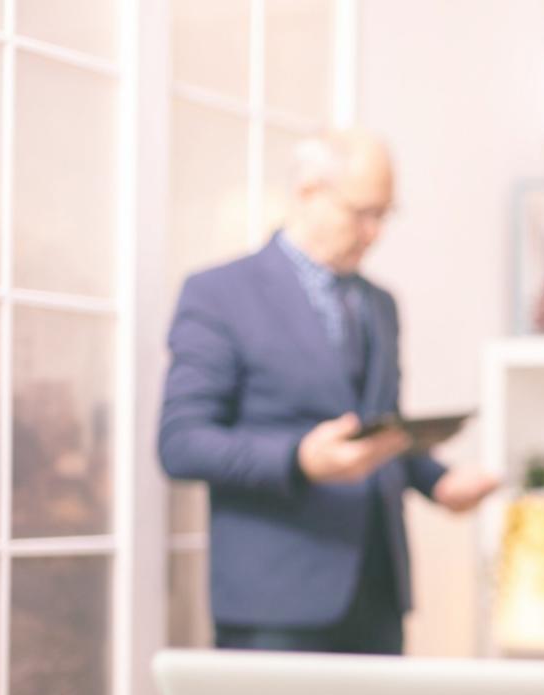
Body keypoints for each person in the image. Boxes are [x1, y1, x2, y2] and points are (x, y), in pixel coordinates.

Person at [158, 129, 495, 655]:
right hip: (275, 602)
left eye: (385, 214)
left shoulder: (379, 304)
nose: (375, 232)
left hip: (378, 594)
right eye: (362, 212)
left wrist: (439, 481)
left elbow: (378, 429)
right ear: (309, 192)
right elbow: (181, 443)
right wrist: (299, 460)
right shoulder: (219, 294)